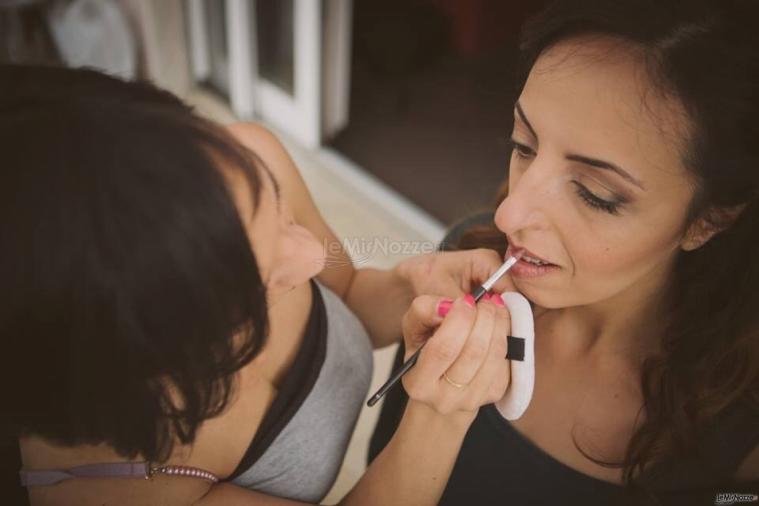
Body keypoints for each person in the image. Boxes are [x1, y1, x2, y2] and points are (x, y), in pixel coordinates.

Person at [0, 63, 518, 505]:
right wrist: (438, 419)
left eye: (279, 207)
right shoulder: (109, 490)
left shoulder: (249, 154)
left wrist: (411, 284)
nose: (314, 257)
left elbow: (349, 290)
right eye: (261, 287)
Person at [369, 0, 759, 504]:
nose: (508, 216)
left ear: (710, 219)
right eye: (523, 144)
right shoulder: (468, 259)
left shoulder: (740, 427)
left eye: (596, 193)